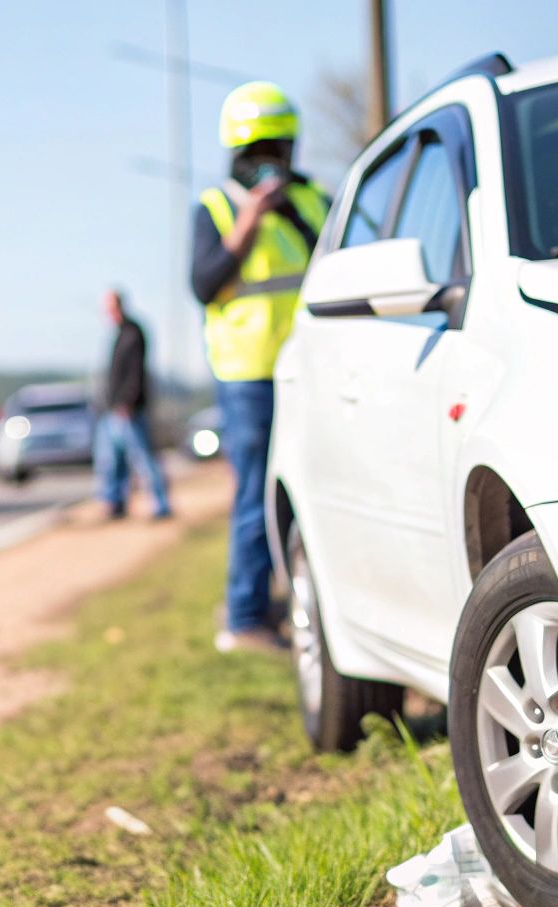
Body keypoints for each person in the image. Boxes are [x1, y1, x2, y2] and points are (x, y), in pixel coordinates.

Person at [191, 81, 332, 653]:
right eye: (259, 153)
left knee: (323, 486)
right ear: (238, 155)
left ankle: (312, 603)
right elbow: (204, 283)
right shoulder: (217, 208)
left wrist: (292, 211)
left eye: (279, 150)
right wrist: (251, 218)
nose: (270, 164)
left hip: (316, 366)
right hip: (248, 375)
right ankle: (246, 617)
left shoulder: (315, 200)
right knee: (255, 495)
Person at [94, 289, 171, 520]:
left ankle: (161, 504)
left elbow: (136, 371)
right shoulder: (118, 333)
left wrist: (127, 401)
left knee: (144, 459)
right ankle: (115, 503)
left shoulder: (132, 332)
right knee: (111, 462)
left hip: (129, 409)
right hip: (112, 409)